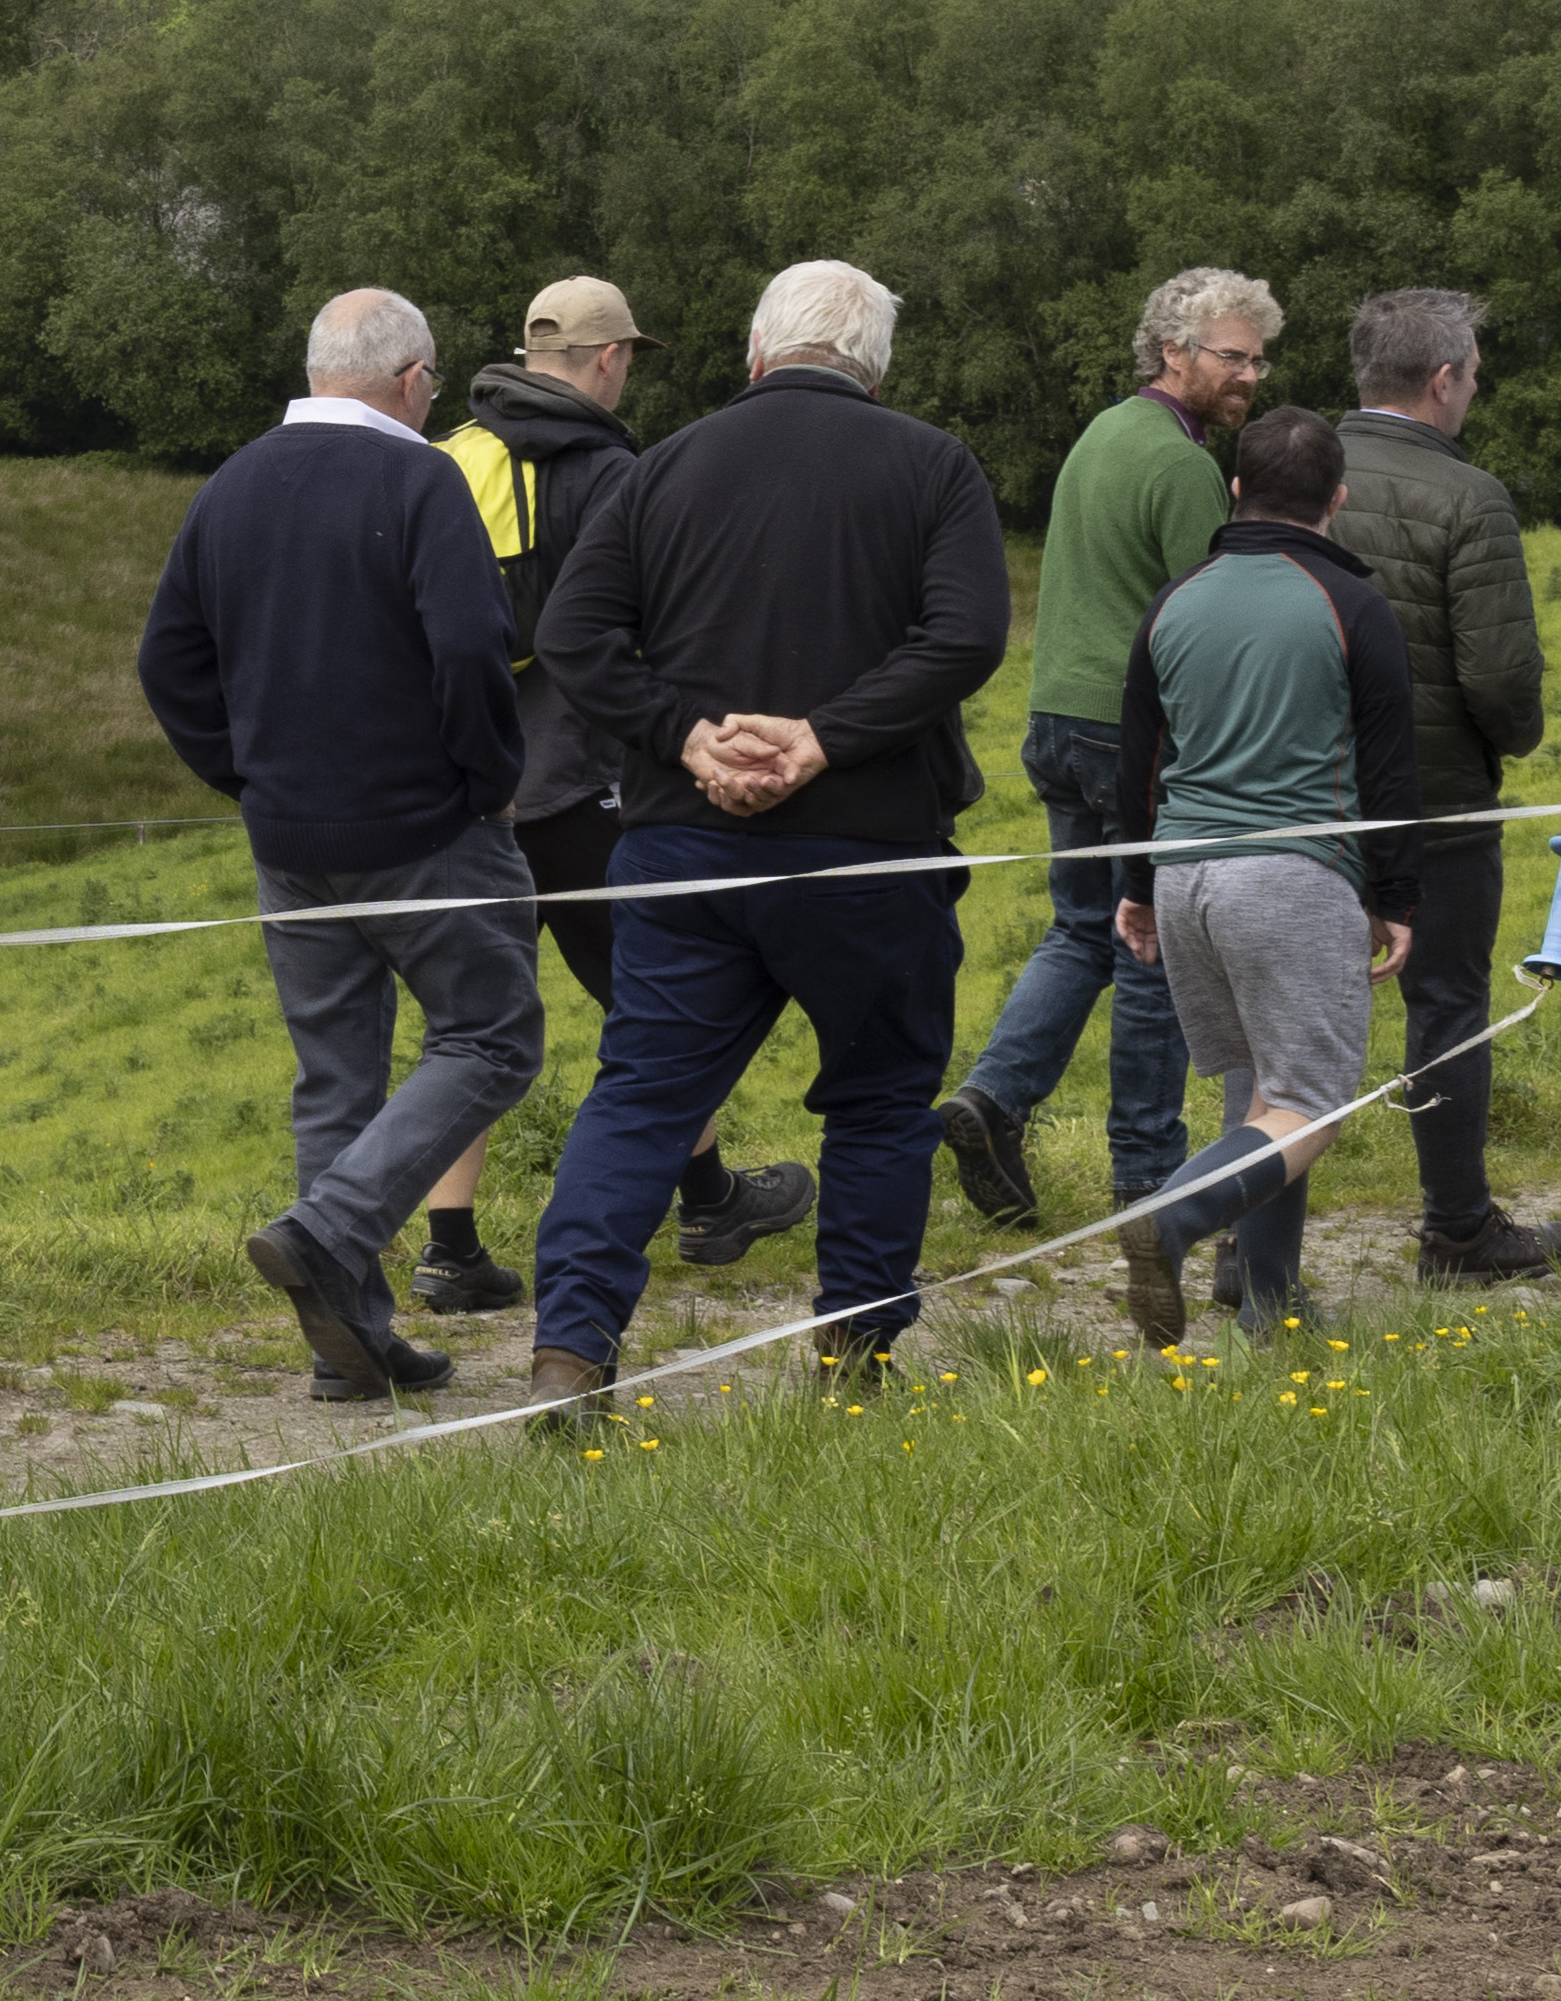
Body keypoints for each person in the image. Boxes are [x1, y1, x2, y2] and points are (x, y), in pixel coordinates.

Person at [521, 260, 1011, 1420]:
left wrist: (687, 738)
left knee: (641, 1095)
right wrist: (821, 742)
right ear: (876, 366)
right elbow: (967, 636)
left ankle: (571, 1349)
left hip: (685, 848)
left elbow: (570, 634)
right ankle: (855, 1356)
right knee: (883, 1100)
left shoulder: (661, 469)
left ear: (756, 350)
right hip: (867, 849)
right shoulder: (933, 465)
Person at [134, 290, 541, 1403]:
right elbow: (471, 645)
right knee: (495, 1036)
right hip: (424, 827)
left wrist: (246, 770)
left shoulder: (231, 486)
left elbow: (167, 659)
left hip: (289, 833)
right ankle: (331, 1228)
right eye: (435, 383)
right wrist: (488, 783)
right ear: (412, 379)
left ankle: (348, 1344)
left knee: (335, 1077)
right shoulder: (422, 478)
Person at [439, 278, 809, 1303]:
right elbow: (651, 628)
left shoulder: (450, 456)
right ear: (609, 359)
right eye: (630, 357)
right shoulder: (614, 471)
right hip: (576, 785)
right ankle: (704, 1201)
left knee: (465, 1019)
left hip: (463, 792)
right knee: (656, 1004)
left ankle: (451, 1247)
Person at [935, 267, 1273, 1233]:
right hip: (1130, 734)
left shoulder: (1105, 432)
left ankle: (994, 1099)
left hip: (1055, 718)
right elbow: (1205, 613)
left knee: (1085, 927)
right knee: (1150, 948)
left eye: (1256, 358)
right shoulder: (1181, 465)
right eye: (1232, 356)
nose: (1250, 374)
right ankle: (1146, 1176)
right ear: (1174, 350)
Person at [1101, 407, 1422, 1343]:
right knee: (1315, 1103)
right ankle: (1175, 1217)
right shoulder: (1354, 605)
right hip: (1291, 879)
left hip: (1186, 879)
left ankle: (1270, 1303)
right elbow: (1390, 771)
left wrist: (1134, 882)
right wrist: (1397, 899)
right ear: (1339, 498)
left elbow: (1139, 763)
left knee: (1263, 1095)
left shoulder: (1176, 599)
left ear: (1235, 490)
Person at [1328, 289, 1561, 1282]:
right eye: (1472, 371)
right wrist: (1515, 740)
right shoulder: (1471, 498)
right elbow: (1502, 678)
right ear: (1440, 380)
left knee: (1288, 1021)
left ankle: (1253, 1244)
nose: (1477, 387)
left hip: (1302, 789)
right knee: (1448, 1006)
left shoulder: (1296, 466)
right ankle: (1458, 1229)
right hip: (1438, 798)